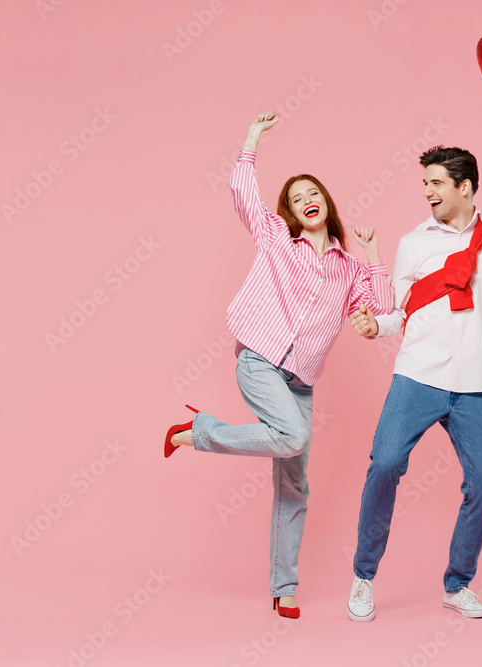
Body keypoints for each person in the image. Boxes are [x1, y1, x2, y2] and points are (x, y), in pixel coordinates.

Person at [164, 112, 394, 620]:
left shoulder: (349, 267)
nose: (306, 200)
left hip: (301, 382)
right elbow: (243, 194)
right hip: (259, 361)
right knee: (293, 437)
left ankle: (283, 588)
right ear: (288, 212)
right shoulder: (274, 238)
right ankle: (199, 431)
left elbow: (379, 309)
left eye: (313, 193)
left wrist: (375, 254)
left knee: (294, 485)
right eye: (295, 198)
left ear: (326, 203)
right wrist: (249, 142)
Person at [345, 145, 482, 622]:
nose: (427, 192)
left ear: (465, 187)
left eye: (436, 183)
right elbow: (398, 312)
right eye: (425, 184)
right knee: (385, 465)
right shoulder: (413, 243)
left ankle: (457, 584)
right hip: (418, 374)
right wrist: (373, 326)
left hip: (475, 381)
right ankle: (363, 576)